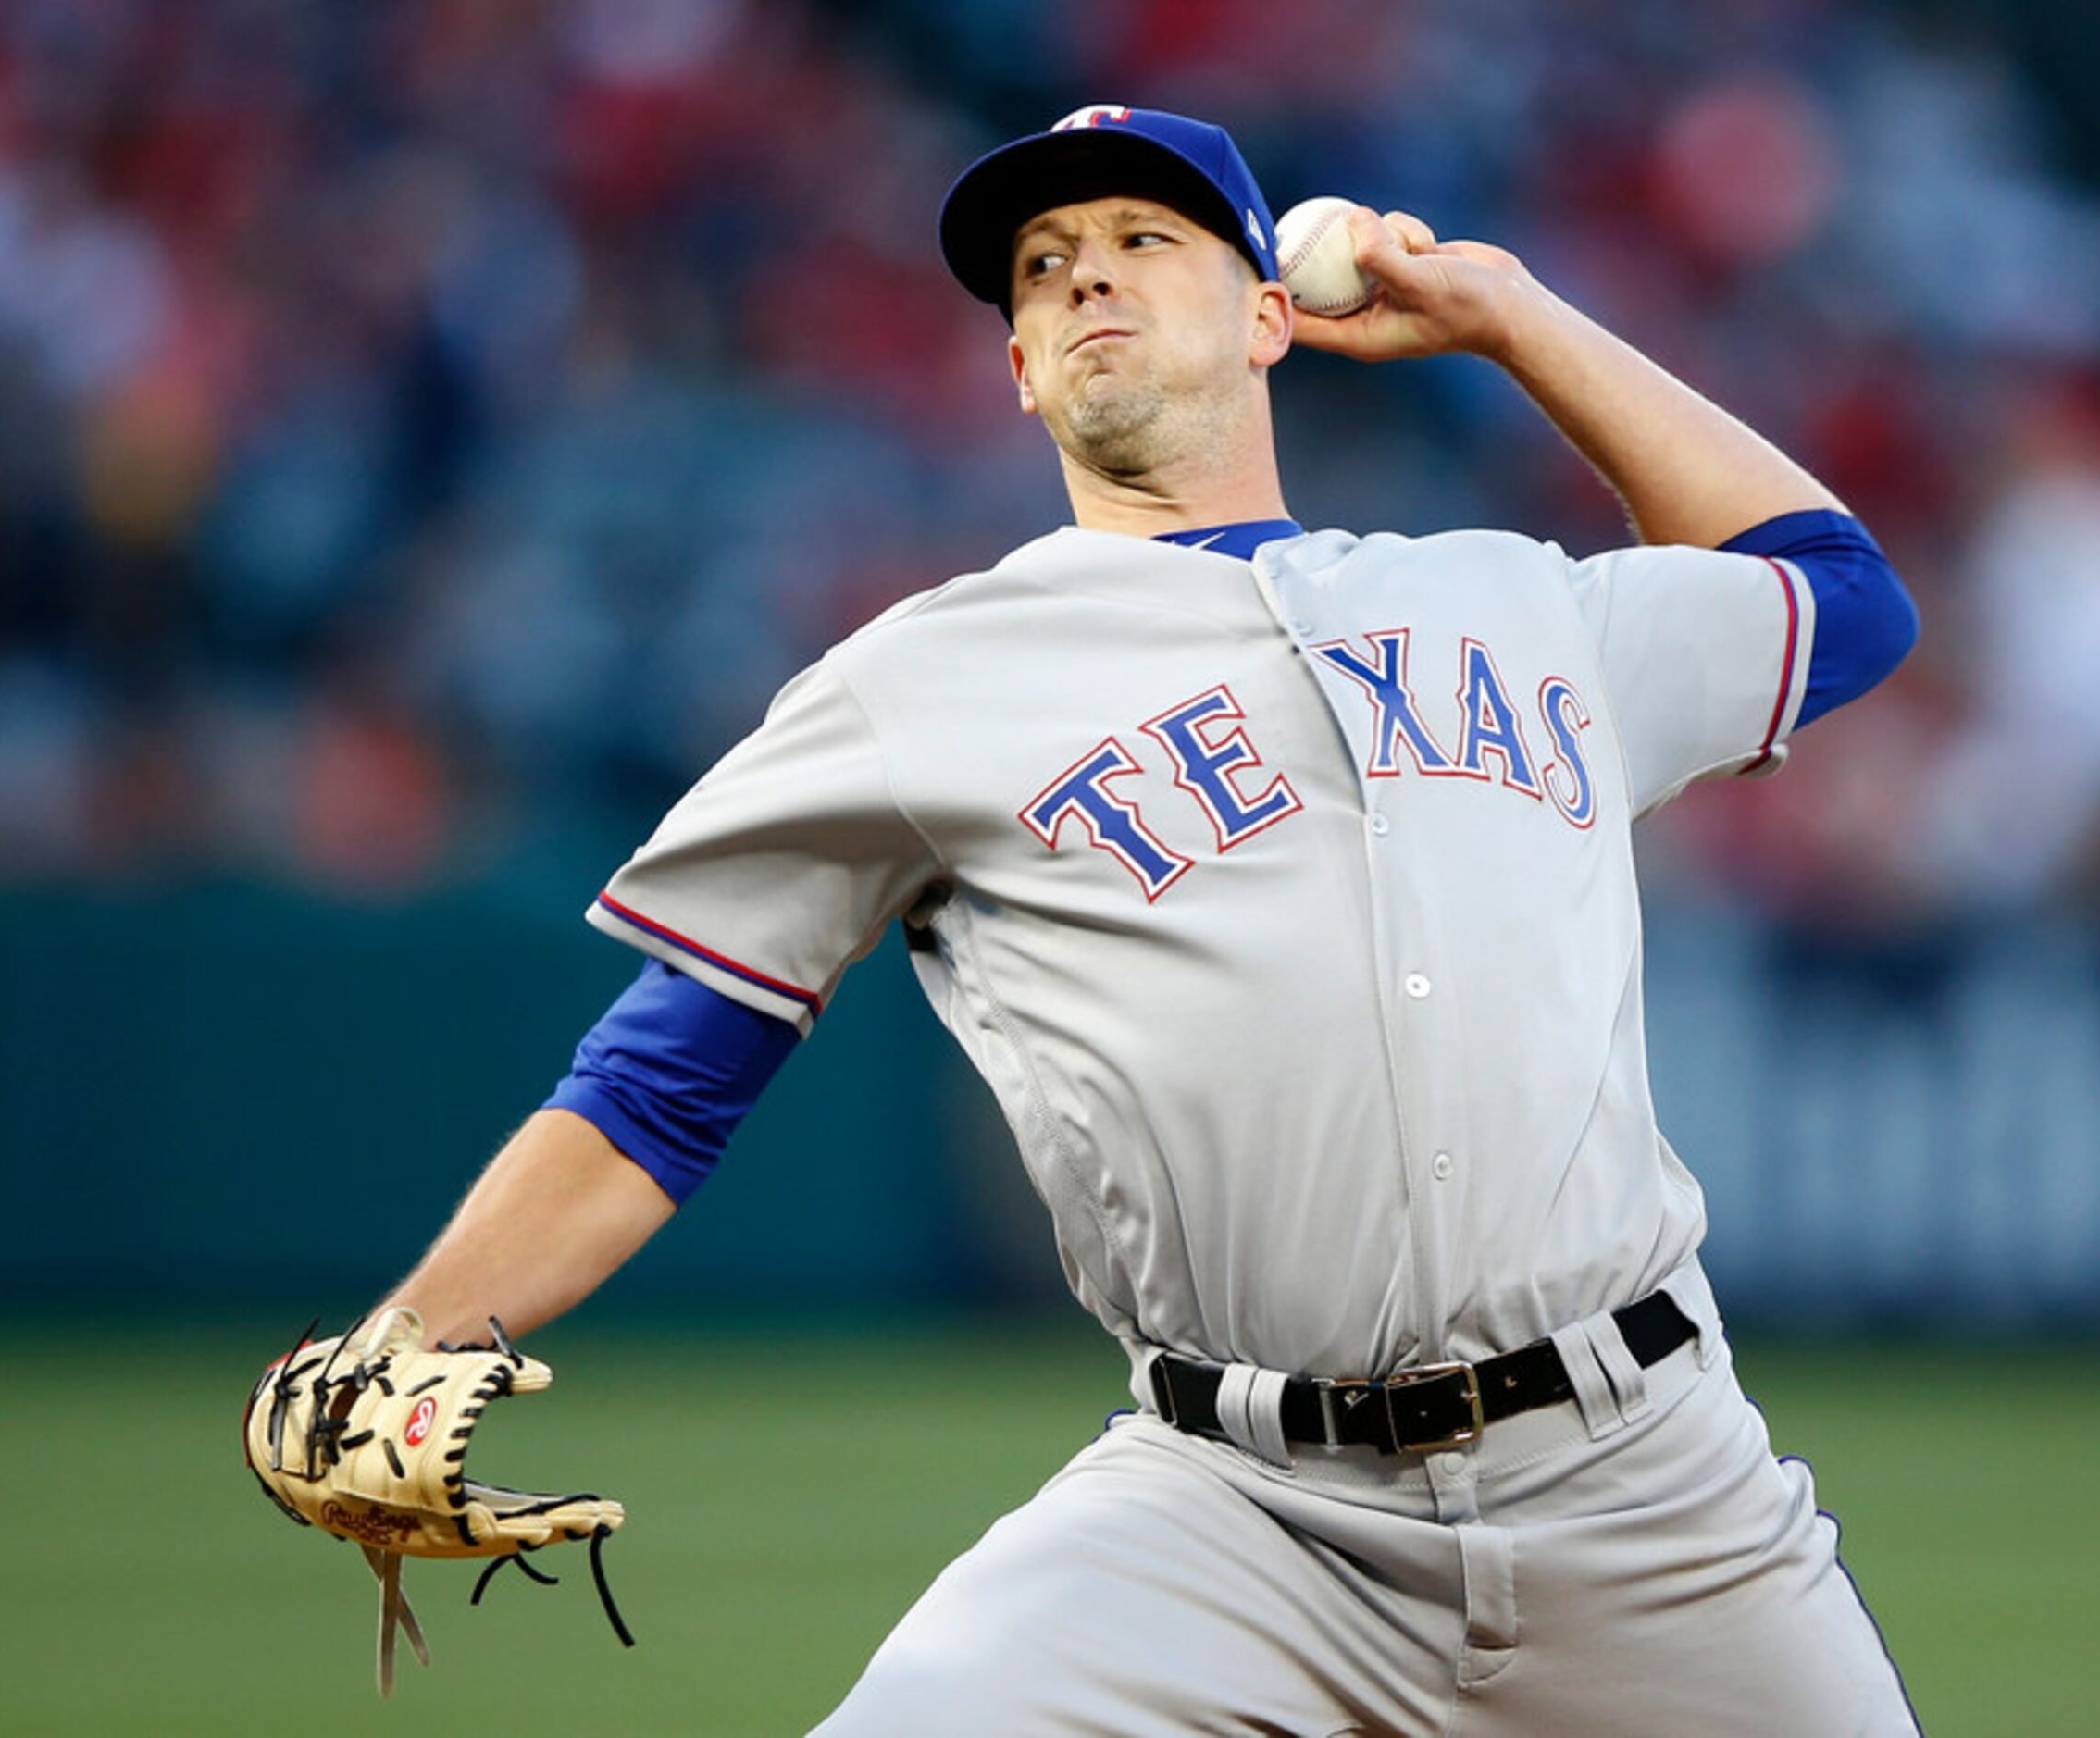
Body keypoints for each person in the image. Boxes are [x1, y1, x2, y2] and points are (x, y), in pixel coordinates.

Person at [366, 106, 1921, 1733]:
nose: (1086, 279)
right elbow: (657, 1079)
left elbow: (1843, 591)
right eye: (1044, 270)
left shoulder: (1521, 599)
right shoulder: (924, 681)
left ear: (1270, 316)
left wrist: (1513, 318)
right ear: (1023, 372)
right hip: (1233, 1514)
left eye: (1143, 243)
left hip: (1648, 1482)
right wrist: (411, 1336)